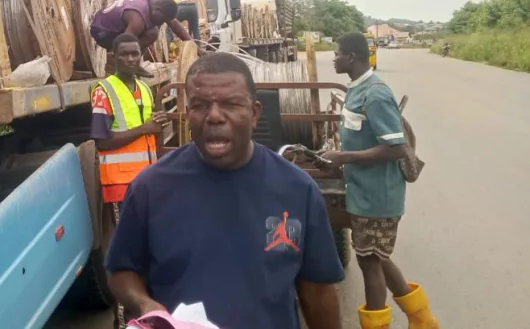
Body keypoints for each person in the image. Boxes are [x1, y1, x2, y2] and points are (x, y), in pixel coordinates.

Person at [106, 52, 344, 329]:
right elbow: (121, 270)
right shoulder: (150, 187)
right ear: (188, 114)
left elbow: (316, 291)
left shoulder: (298, 189)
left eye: (230, 104)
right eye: (199, 105)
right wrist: (145, 304)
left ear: (255, 113)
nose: (214, 116)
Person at [322, 33, 438, 329]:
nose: (333, 58)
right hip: (364, 193)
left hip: (378, 197)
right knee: (376, 257)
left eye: (337, 53)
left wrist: (344, 157)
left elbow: (396, 147)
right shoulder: (357, 89)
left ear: (352, 57)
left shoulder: (374, 94)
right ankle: (422, 319)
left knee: (370, 265)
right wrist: (336, 155)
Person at [90, 33, 170, 206]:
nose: (131, 59)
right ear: (113, 58)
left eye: (135, 54)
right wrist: (144, 128)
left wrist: (159, 123)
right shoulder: (104, 91)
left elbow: (151, 133)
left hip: (147, 177)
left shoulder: (144, 88)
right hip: (122, 184)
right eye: (124, 54)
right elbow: (102, 141)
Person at [90, 0, 198, 55]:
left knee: (152, 31)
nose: (161, 24)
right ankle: (128, 66)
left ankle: (133, 62)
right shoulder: (137, 20)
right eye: (162, 21)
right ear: (157, 11)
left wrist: (197, 48)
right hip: (102, 31)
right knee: (153, 33)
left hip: (108, 20)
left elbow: (174, 24)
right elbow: (123, 45)